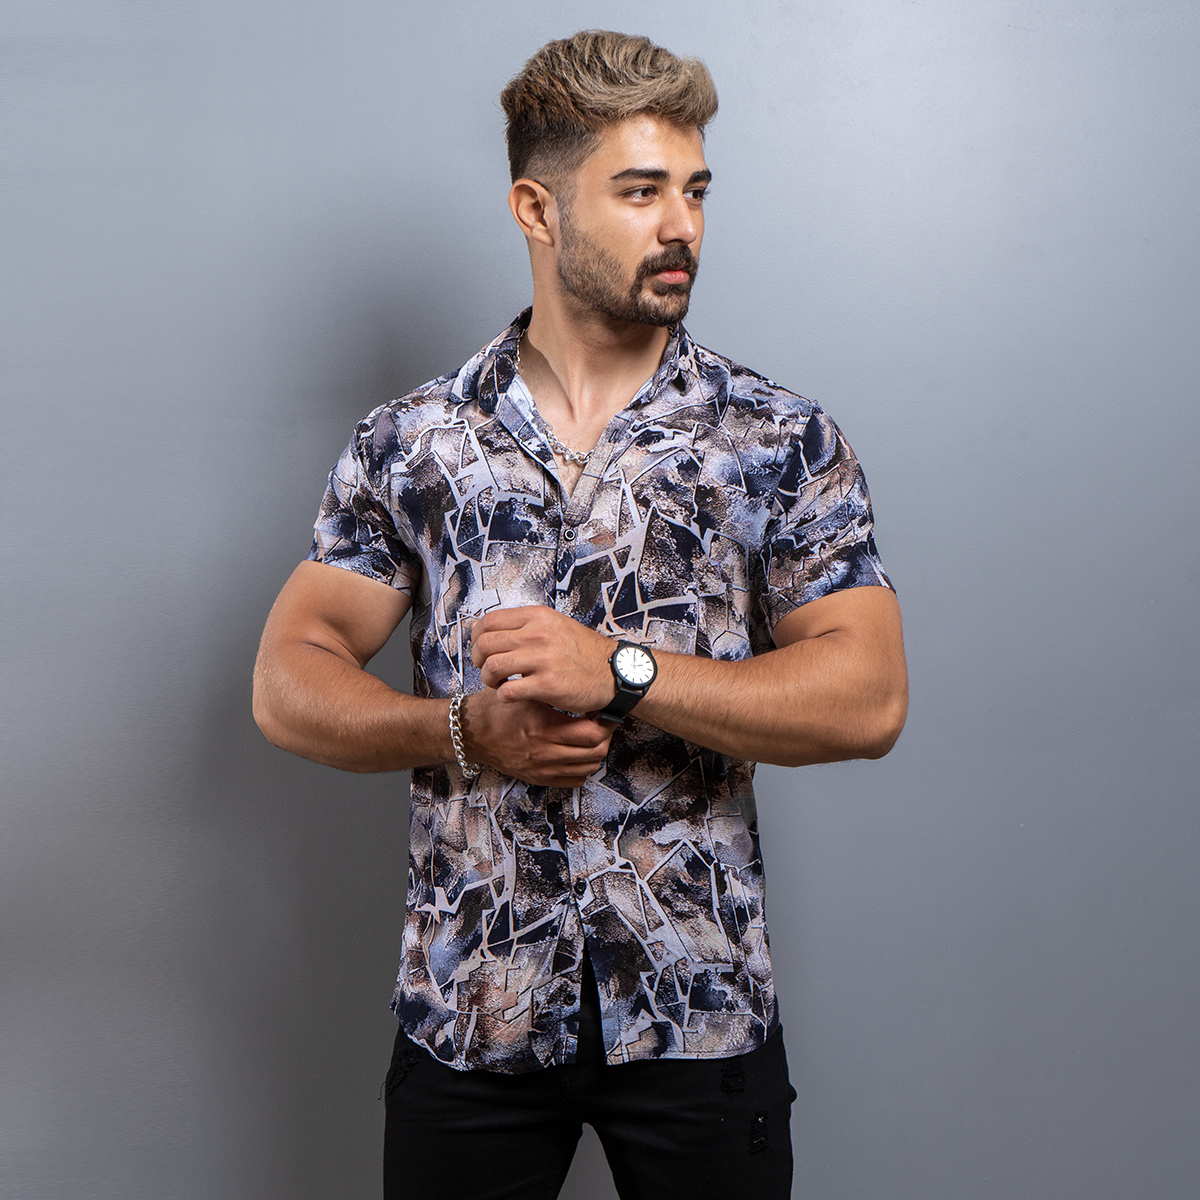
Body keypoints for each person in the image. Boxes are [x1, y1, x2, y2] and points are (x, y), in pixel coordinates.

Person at [253, 29, 907, 1200]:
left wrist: (623, 670)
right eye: (642, 192)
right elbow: (288, 680)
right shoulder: (415, 442)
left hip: (698, 1005)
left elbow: (868, 698)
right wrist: (463, 731)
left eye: (696, 191)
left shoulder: (776, 440)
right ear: (536, 209)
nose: (682, 226)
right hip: (476, 1009)